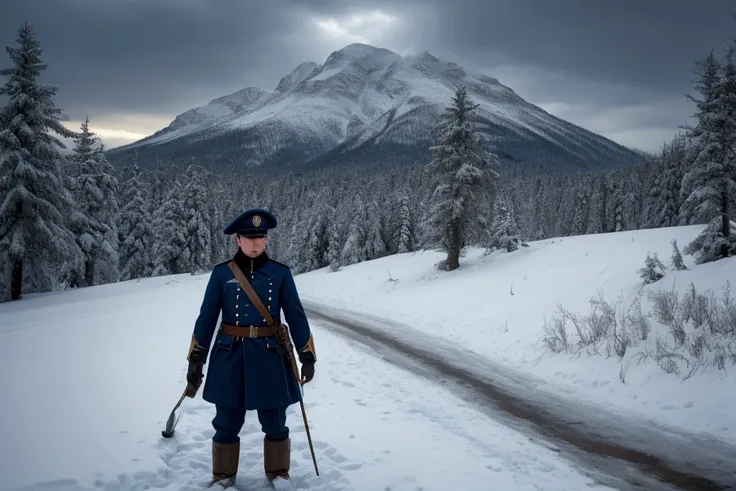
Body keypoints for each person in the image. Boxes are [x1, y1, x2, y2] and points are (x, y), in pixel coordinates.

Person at [184, 208, 317, 487]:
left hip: (270, 356)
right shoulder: (221, 274)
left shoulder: (281, 274)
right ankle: (223, 477)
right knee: (227, 421)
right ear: (238, 240)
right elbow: (207, 317)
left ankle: (278, 473)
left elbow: (295, 314)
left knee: (275, 420)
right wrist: (197, 358)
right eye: (249, 237)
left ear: (266, 239)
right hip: (230, 356)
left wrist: (307, 353)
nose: (256, 243)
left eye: (261, 237)